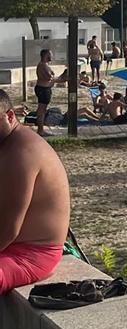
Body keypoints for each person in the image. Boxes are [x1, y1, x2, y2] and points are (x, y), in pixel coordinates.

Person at [0, 89, 70, 294]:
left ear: (10, 116)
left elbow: (9, 229)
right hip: (12, 245)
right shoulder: (7, 145)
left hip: (33, 252)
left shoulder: (22, 153)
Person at [34, 49, 66, 136]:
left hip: (44, 89)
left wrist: (63, 77)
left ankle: (40, 130)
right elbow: (49, 78)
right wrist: (60, 78)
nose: (52, 56)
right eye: (50, 54)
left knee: (42, 110)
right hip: (43, 90)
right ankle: (40, 131)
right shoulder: (43, 65)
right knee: (41, 110)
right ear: (46, 55)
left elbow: (52, 78)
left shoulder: (45, 65)